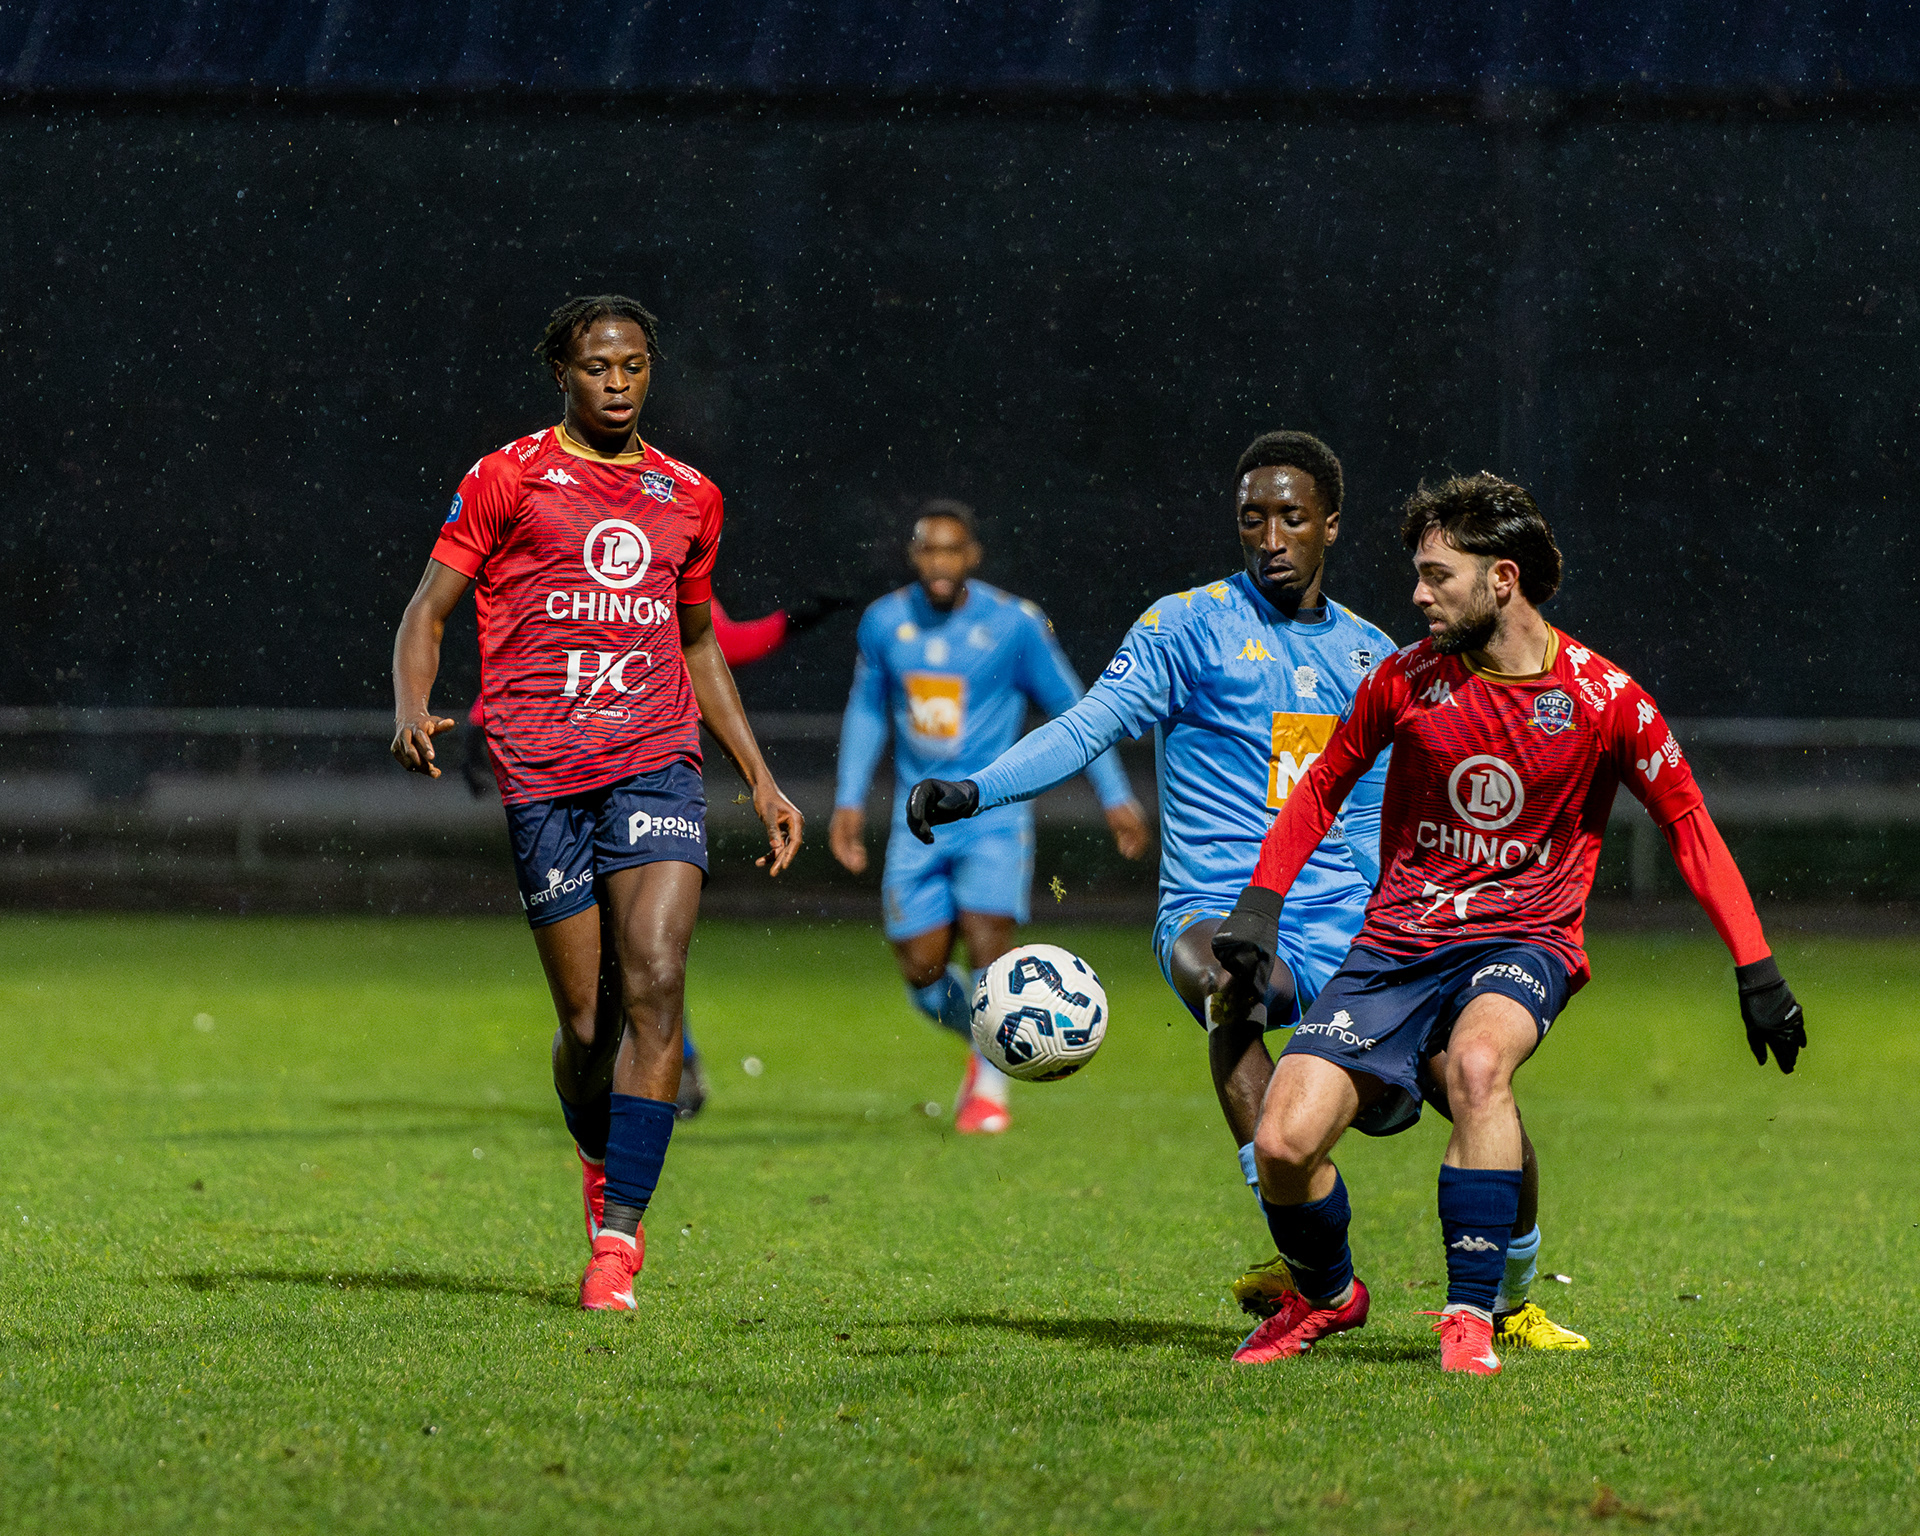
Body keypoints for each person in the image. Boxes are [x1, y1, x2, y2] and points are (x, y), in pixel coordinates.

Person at [906, 433, 1580, 1349]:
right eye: (1251, 518)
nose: (1270, 537)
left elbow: (1380, 814)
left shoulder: (1371, 654)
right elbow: (1088, 725)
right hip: (1217, 905)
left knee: (1464, 1075)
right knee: (1231, 985)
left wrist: (1420, 926)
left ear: (1330, 525)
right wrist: (977, 788)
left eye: (1291, 518)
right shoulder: (1186, 627)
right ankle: (1312, 1263)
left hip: (1347, 918)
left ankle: (1516, 1293)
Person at [1210, 471, 1806, 1374]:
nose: (1419, 596)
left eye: (1437, 576)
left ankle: (1470, 1314)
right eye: (1418, 575)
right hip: (1398, 943)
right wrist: (1261, 907)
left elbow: (1688, 824)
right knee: (1283, 1142)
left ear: (1502, 579)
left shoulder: (1605, 699)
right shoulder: (1404, 680)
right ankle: (1329, 1297)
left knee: (1479, 1066)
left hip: (1525, 938)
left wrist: (1756, 969)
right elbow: (1324, 785)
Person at [391, 293, 803, 1312]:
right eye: (596, 368)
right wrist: (411, 704)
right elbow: (428, 610)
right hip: (541, 773)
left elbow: (698, 643)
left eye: (633, 366)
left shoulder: (690, 495)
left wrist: (757, 773)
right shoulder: (507, 476)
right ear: (562, 374)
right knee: (589, 1027)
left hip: (655, 760)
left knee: (657, 977)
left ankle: (618, 1239)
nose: (617, 384)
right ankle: (595, 1155)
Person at [459, 588, 850, 1120]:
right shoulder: (565, 574)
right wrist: (482, 719)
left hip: (646, 784)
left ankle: (671, 1064)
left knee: (648, 952)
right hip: (565, 786)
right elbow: (535, 653)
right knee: (614, 974)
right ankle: (642, 1071)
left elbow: (712, 643)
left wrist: (791, 621)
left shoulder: (665, 573)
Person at [831, 500, 1151, 1133]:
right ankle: (989, 1040)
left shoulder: (1015, 624)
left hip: (992, 817)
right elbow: (866, 709)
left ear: (972, 556)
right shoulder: (884, 622)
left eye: (952, 550)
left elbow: (1076, 710)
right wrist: (848, 799)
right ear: (914, 555)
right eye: (929, 549)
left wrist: (1114, 794)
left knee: (988, 950)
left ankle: (989, 1087)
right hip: (916, 819)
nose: (940, 562)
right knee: (922, 972)